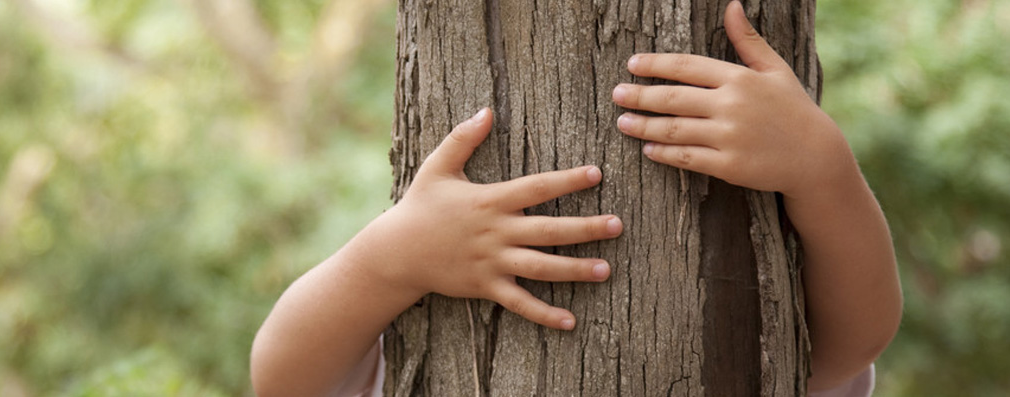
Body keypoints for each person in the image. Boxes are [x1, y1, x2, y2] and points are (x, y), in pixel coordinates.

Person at [249, 1, 902, 396]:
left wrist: (821, 170)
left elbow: (844, 344)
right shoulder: (429, 337)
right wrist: (392, 258)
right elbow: (285, 381)